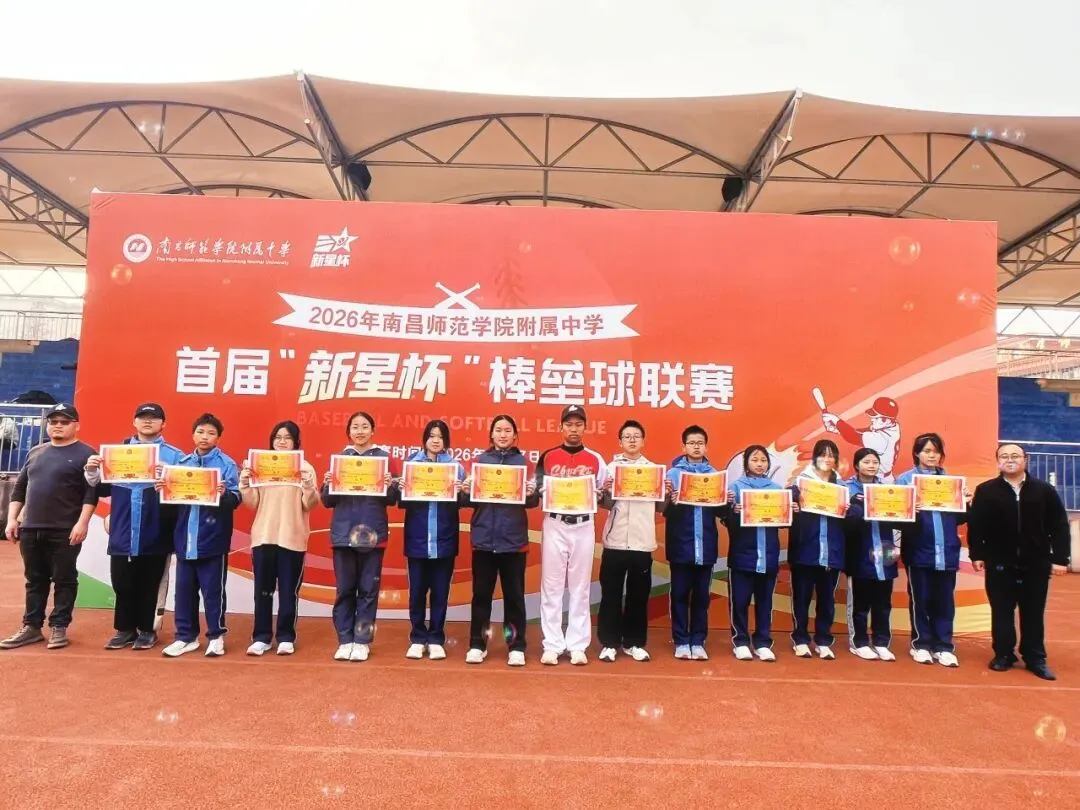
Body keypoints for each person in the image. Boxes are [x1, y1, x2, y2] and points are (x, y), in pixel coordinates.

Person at [84, 402, 183, 652]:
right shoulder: (117, 454)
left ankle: (148, 630)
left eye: (154, 418)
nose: (147, 421)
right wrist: (93, 470)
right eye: (142, 417)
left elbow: (184, 493)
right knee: (122, 582)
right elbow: (102, 489)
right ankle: (125, 629)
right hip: (123, 529)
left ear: (163, 424)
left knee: (151, 583)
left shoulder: (175, 456)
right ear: (134, 422)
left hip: (156, 529)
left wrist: (170, 475)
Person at [968, 443, 1071, 681]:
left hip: (1036, 562)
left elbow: (1059, 525)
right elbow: (976, 525)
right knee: (1001, 611)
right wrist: (977, 555)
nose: (1010, 460)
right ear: (998, 461)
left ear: (1025, 459)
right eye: (1004, 456)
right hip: (999, 562)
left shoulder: (1044, 490)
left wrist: (1060, 558)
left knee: (1033, 612)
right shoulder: (986, 490)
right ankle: (1003, 654)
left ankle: (1035, 657)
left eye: (1015, 455)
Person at [0, 403, 98, 650]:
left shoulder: (87, 454)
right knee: (34, 579)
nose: (58, 426)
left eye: (64, 422)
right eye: (53, 422)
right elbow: (20, 488)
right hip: (30, 527)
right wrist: (12, 519)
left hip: (65, 529)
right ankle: (31, 627)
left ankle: (59, 627)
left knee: (64, 579)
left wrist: (82, 523)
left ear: (77, 425)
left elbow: (91, 493)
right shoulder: (36, 452)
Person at [160, 413, 241, 658]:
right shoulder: (181, 464)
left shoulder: (227, 464)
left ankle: (216, 636)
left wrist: (224, 494)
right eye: (200, 432)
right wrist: (163, 489)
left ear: (218, 438)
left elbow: (236, 499)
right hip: (185, 539)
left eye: (211, 433)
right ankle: (186, 637)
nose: (205, 437)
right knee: (184, 592)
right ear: (193, 434)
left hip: (213, 539)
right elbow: (171, 503)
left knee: (213, 592)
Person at [320, 411, 397, 663]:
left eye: (365, 426)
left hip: (373, 534)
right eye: (355, 427)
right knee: (345, 590)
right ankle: (345, 639)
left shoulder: (384, 459)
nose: (360, 431)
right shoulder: (340, 459)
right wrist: (328, 483)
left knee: (368, 590)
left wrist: (389, 485)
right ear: (349, 432)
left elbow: (392, 500)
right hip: (343, 534)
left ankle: (362, 641)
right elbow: (327, 501)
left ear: (372, 431)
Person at [462, 415, 538, 667]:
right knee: (481, 596)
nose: (503, 435)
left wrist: (531, 494)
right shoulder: (479, 462)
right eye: (498, 430)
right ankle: (477, 644)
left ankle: (515, 646)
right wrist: (466, 491)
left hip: (513, 540)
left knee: (514, 597)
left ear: (515, 435)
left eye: (507, 430)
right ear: (491, 435)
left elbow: (532, 502)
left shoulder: (524, 463)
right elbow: (468, 501)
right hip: (484, 539)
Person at [239, 420, 319, 656]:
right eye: (278, 437)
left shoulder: (305, 467)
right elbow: (252, 503)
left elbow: (310, 504)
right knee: (262, 591)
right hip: (264, 535)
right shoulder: (260, 466)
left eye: (287, 438)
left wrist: (308, 485)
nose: (282, 442)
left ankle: (286, 636)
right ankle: (261, 637)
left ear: (296, 442)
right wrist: (245, 484)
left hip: (292, 537)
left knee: (288, 591)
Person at [536, 404, 605, 666]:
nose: (573, 429)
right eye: (569, 424)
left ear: (585, 427)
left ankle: (577, 644)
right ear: (561, 427)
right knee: (551, 586)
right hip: (555, 523)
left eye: (578, 424)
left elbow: (605, 493)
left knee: (580, 587)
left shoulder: (596, 459)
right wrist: (539, 491)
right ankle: (552, 644)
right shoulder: (548, 457)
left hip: (583, 525)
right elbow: (536, 489)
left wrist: (601, 494)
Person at [895, 433, 970, 667]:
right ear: (917, 453)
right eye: (926, 451)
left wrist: (966, 502)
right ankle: (921, 644)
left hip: (947, 551)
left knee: (944, 601)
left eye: (935, 452)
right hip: (919, 550)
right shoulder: (904, 480)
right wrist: (910, 509)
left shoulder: (951, 482)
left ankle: (944, 646)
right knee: (921, 599)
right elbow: (896, 518)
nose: (931, 455)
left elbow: (960, 519)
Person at [596, 420, 664, 663]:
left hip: (642, 542)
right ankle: (609, 643)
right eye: (627, 436)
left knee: (638, 595)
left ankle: (634, 642)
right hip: (615, 541)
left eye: (636, 436)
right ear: (620, 442)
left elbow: (661, 507)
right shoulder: (610, 469)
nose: (632, 440)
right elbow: (604, 504)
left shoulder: (653, 470)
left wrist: (665, 492)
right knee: (611, 594)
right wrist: (606, 492)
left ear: (643, 441)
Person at [399, 420, 465, 661]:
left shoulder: (455, 468)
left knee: (440, 592)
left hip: (444, 538)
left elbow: (462, 503)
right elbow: (402, 502)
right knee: (417, 592)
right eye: (432, 436)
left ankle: (436, 638)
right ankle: (417, 637)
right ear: (425, 439)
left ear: (446, 441)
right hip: (417, 538)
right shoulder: (412, 465)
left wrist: (461, 491)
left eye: (441, 436)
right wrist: (401, 488)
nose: (436, 440)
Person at [663, 425, 724, 661]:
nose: (696, 447)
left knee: (701, 597)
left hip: (706, 545)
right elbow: (664, 510)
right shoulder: (672, 475)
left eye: (700, 443)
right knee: (679, 594)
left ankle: (698, 641)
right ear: (684, 447)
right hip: (681, 544)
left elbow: (721, 513)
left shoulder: (715, 475)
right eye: (691, 443)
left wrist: (725, 501)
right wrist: (671, 500)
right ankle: (681, 640)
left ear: (706, 447)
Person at [788, 439, 847, 660]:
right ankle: (800, 639)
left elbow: (850, 522)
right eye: (822, 454)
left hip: (831, 552)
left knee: (827, 600)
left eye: (831, 455)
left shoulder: (843, 488)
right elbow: (784, 512)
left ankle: (823, 640)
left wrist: (849, 510)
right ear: (815, 458)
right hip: (805, 551)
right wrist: (793, 507)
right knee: (802, 598)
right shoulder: (799, 484)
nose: (827, 459)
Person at [725, 444, 783, 662]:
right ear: (746, 463)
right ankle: (740, 641)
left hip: (768, 555)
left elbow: (784, 522)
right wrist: (732, 511)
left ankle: (762, 642)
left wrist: (791, 511)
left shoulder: (777, 489)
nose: (760, 464)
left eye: (763, 460)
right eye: (755, 460)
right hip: (742, 555)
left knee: (765, 602)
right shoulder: (735, 488)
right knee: (739, 602)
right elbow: (726, 521)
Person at [842, 448, 900, 661]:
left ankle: (881, 642)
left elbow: (900, 519)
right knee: (860, 602)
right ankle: (858, 642)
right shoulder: (845, 489)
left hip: (886, 549)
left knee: (883, 602)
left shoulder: (888, 490)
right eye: (866, 462)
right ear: (857, 465)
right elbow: (844, 522)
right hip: (859, 550)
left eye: (875, 462)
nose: (871, 465)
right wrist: (857, 506)